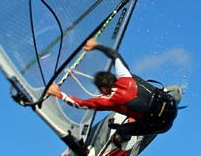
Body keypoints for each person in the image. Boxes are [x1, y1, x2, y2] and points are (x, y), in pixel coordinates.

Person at [46, 38, 177, 144]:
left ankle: (123, 137)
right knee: (140, 83)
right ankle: (139, 116)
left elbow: (81, 104)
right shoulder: (124, 75)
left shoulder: (111, 100)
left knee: (121, 130)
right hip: (171, 103)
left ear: (103, 89)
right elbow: (114, 55)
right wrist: (96, 45)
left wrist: (58, 94)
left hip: (161, 125)